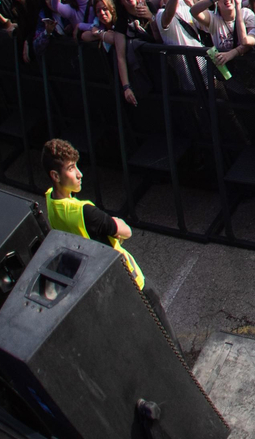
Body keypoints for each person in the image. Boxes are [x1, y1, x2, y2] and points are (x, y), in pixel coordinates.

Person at [42, 137, 178, 350]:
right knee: (167, 342)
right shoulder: (84, 211)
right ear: (55, 175)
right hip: (132, 281)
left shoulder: (50, 200)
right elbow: (126, 230)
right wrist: (117, 224)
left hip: (104, 284)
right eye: (71, 168)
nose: (79, 173)